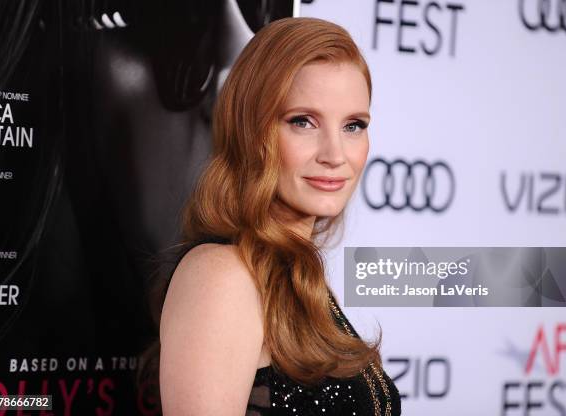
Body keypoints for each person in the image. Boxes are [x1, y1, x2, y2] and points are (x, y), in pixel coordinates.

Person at [157, 16, 402, 415]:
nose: (335, 155)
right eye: (302, 122)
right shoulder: (222, 277)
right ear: (251, 130)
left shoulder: (297, 275)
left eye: (353, 126)